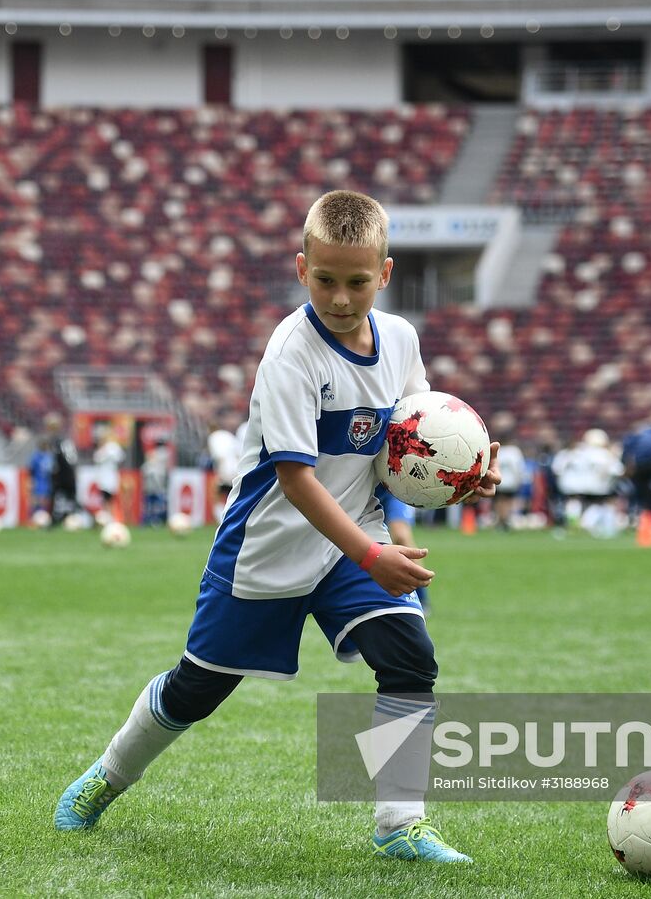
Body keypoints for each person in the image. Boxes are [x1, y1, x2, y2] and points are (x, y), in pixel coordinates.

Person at [53, 190, 500, 862]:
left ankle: (400, 823)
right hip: (268, 545)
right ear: (301, 268)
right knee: (197, 687)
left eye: (356, 281)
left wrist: (464, 474)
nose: (341, 298)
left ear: (384, 273)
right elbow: (295, 480)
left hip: (353, 537)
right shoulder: (292, 353)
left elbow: (410, 437)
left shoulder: (401, 338)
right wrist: (374, 556)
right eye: (325, 279)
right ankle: (106, 776)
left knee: (410, 658)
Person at [46, 416, 81, 524]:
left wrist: (57, 471)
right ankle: (64, 518)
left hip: (63, 474)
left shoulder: (58, 441)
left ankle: (66, 518)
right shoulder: (63, 440)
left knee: (63, 497)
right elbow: (72, 458)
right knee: (67, 497)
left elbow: (66, 459)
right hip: (66, 473)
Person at [206, 418, 241, 523]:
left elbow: (219, 456)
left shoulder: (213, 437)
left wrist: (220, 474)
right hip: (238, 466)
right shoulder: (227, 435)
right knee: (235, 493)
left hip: (226, 468)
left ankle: (221, 519)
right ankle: (235, 518)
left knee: (216, 493)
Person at [492, 433, 527, 529]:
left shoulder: (498, 451)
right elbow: (519, 468)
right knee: (508, 502)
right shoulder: (514, 452)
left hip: (499, 481)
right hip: (511, 482)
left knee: (500, 501)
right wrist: (519, 480)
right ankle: (505, 520)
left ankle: (501, 521)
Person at [92, 427, 125, 518]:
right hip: (104, 478)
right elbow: (97, 459)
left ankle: (111, 516)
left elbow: (119, 457)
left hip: (110, 477)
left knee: (110, 499)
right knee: (105, 499)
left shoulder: (112, 447)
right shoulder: (102, 449)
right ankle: (106, 516)